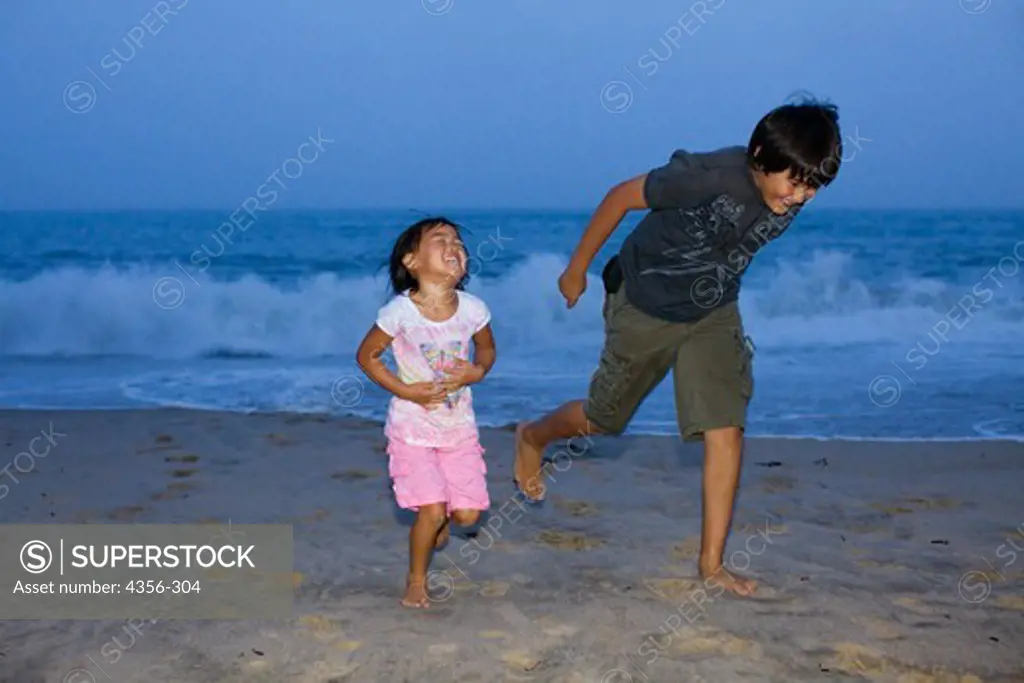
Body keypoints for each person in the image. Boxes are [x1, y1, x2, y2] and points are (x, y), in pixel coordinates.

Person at [513, 100, 843, 597]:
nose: (801, 197)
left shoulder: (787, 197)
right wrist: (576, 267)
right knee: (604, 418)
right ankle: (534, 437)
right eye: (794, 182)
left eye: (813, 186)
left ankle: (711, 564)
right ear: (759, 155)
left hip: (713, 312)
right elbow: (621, 196)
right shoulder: (706, 175)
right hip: (643, 300)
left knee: (725, 428)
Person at [356, 217, 496, 608]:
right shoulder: (399, 312)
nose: (453, 246)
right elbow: (366, 356)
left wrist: (477, 371)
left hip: (459, 430)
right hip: (411, 429)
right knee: (432, 510)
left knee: (467, 516)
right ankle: (416, 580)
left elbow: (486, 350)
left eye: (458, 241)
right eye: (440, 240)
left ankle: (438, 524)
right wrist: (406, 391)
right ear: (412, 261)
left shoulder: (473, 309)